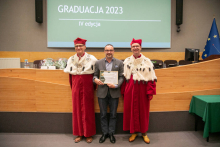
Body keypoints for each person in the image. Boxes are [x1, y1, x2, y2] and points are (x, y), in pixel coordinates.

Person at [121, 38, 157, 144]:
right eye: (133, 46)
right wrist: (123, 91)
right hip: (130, 90)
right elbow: (124, 77)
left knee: (143, 112)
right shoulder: (127, 61)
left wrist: (150, 92)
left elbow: (151, 78)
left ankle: (144, 133)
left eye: (137, 46)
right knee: (131, 111)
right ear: (131, 48)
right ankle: (134, 132)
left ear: (140, 48)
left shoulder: (147, 62)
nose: (135, 48)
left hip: (142, 89)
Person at [64, 37, 97, 143]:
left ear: (84, 47)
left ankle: (89, 133)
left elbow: (95, 74)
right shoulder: (71, 59)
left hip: (87, 88)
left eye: (80, 46)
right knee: (77, 110)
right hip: (76, 88)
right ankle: (79, 133)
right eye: (76, 46)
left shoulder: (92, 59)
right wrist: (73, 88)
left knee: (88, 110)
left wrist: (93, 88)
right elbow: (70, 77)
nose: (78, 48)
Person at [93, 44, 124, 143]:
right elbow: (94, 76)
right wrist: (95, 80)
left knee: (113, 114)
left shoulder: (119, 63)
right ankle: (104, 133)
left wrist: (116, 85)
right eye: (107, 50)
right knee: (102, 114)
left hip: (114, 92)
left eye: (111, 50)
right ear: (104, 51)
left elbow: (121, 77)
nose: (109, 52)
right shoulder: (98, 62)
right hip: (102, 92)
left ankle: (111, 133)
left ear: (113, 51)